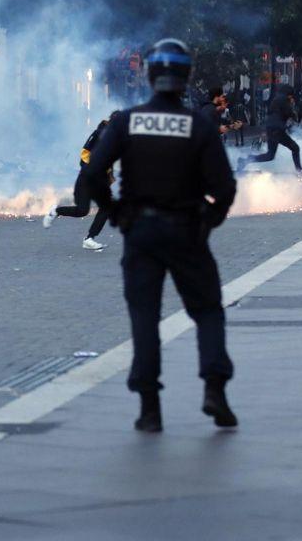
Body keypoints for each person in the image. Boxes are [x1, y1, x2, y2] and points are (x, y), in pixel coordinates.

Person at [84, 38, 238, 433]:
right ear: (186, 78)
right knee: (207, 310)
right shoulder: (199, 125)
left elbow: (92, 174)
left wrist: (118, 215)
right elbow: (225, 189)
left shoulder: (125, 121)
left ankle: (150, 408)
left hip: (141, 231)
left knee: (144, 316)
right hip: (187, 229)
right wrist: (207, 221)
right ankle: (215, 390)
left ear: (150, 75)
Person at [42, 113, 116, 250]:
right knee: (82, 211)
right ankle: (56, 211)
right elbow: (84, 153)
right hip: (87, 177)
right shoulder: (100, 133)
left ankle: (89, 239)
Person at [239, 84, 302, 174]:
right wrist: (293, 108)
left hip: (271, 129)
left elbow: (272, 114)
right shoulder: (285, 99)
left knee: (270, 155)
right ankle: (299, 171)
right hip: (277, 129)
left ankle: (246, 160)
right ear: (289, 94)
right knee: (295, 148)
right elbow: (289, 113)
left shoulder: (276, 99)